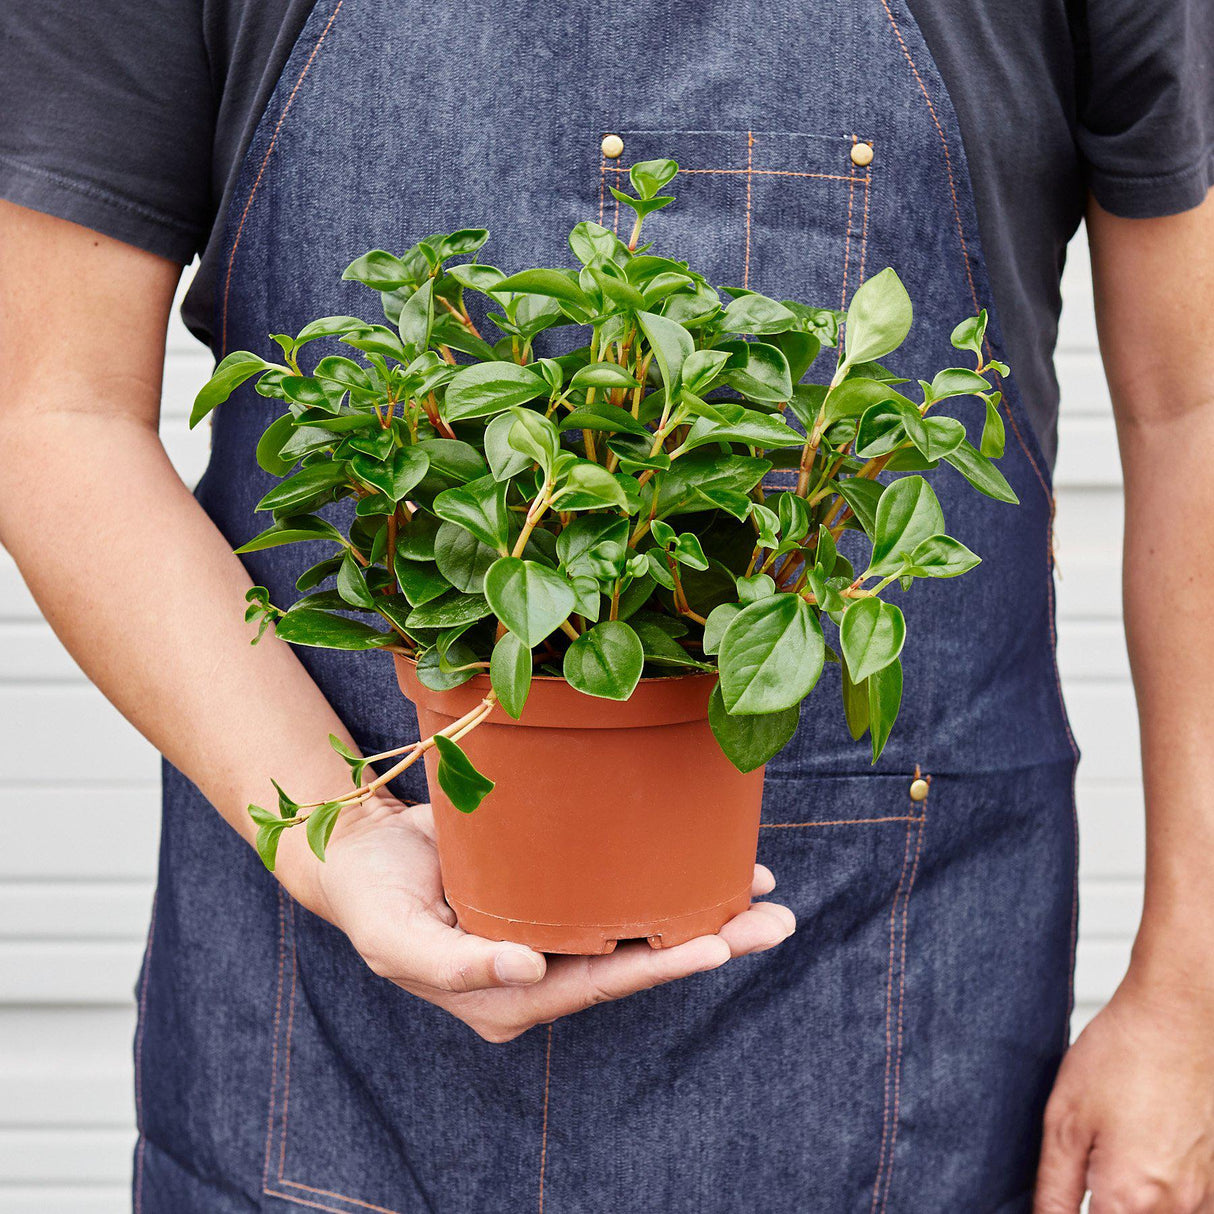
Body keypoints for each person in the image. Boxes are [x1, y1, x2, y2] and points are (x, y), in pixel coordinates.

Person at [1, 0, 1212, 1209]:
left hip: (895, 1037)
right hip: (326, 1061)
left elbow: (1191, 404)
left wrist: (1190, 996)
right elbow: (48, 407)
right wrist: (348, 838)